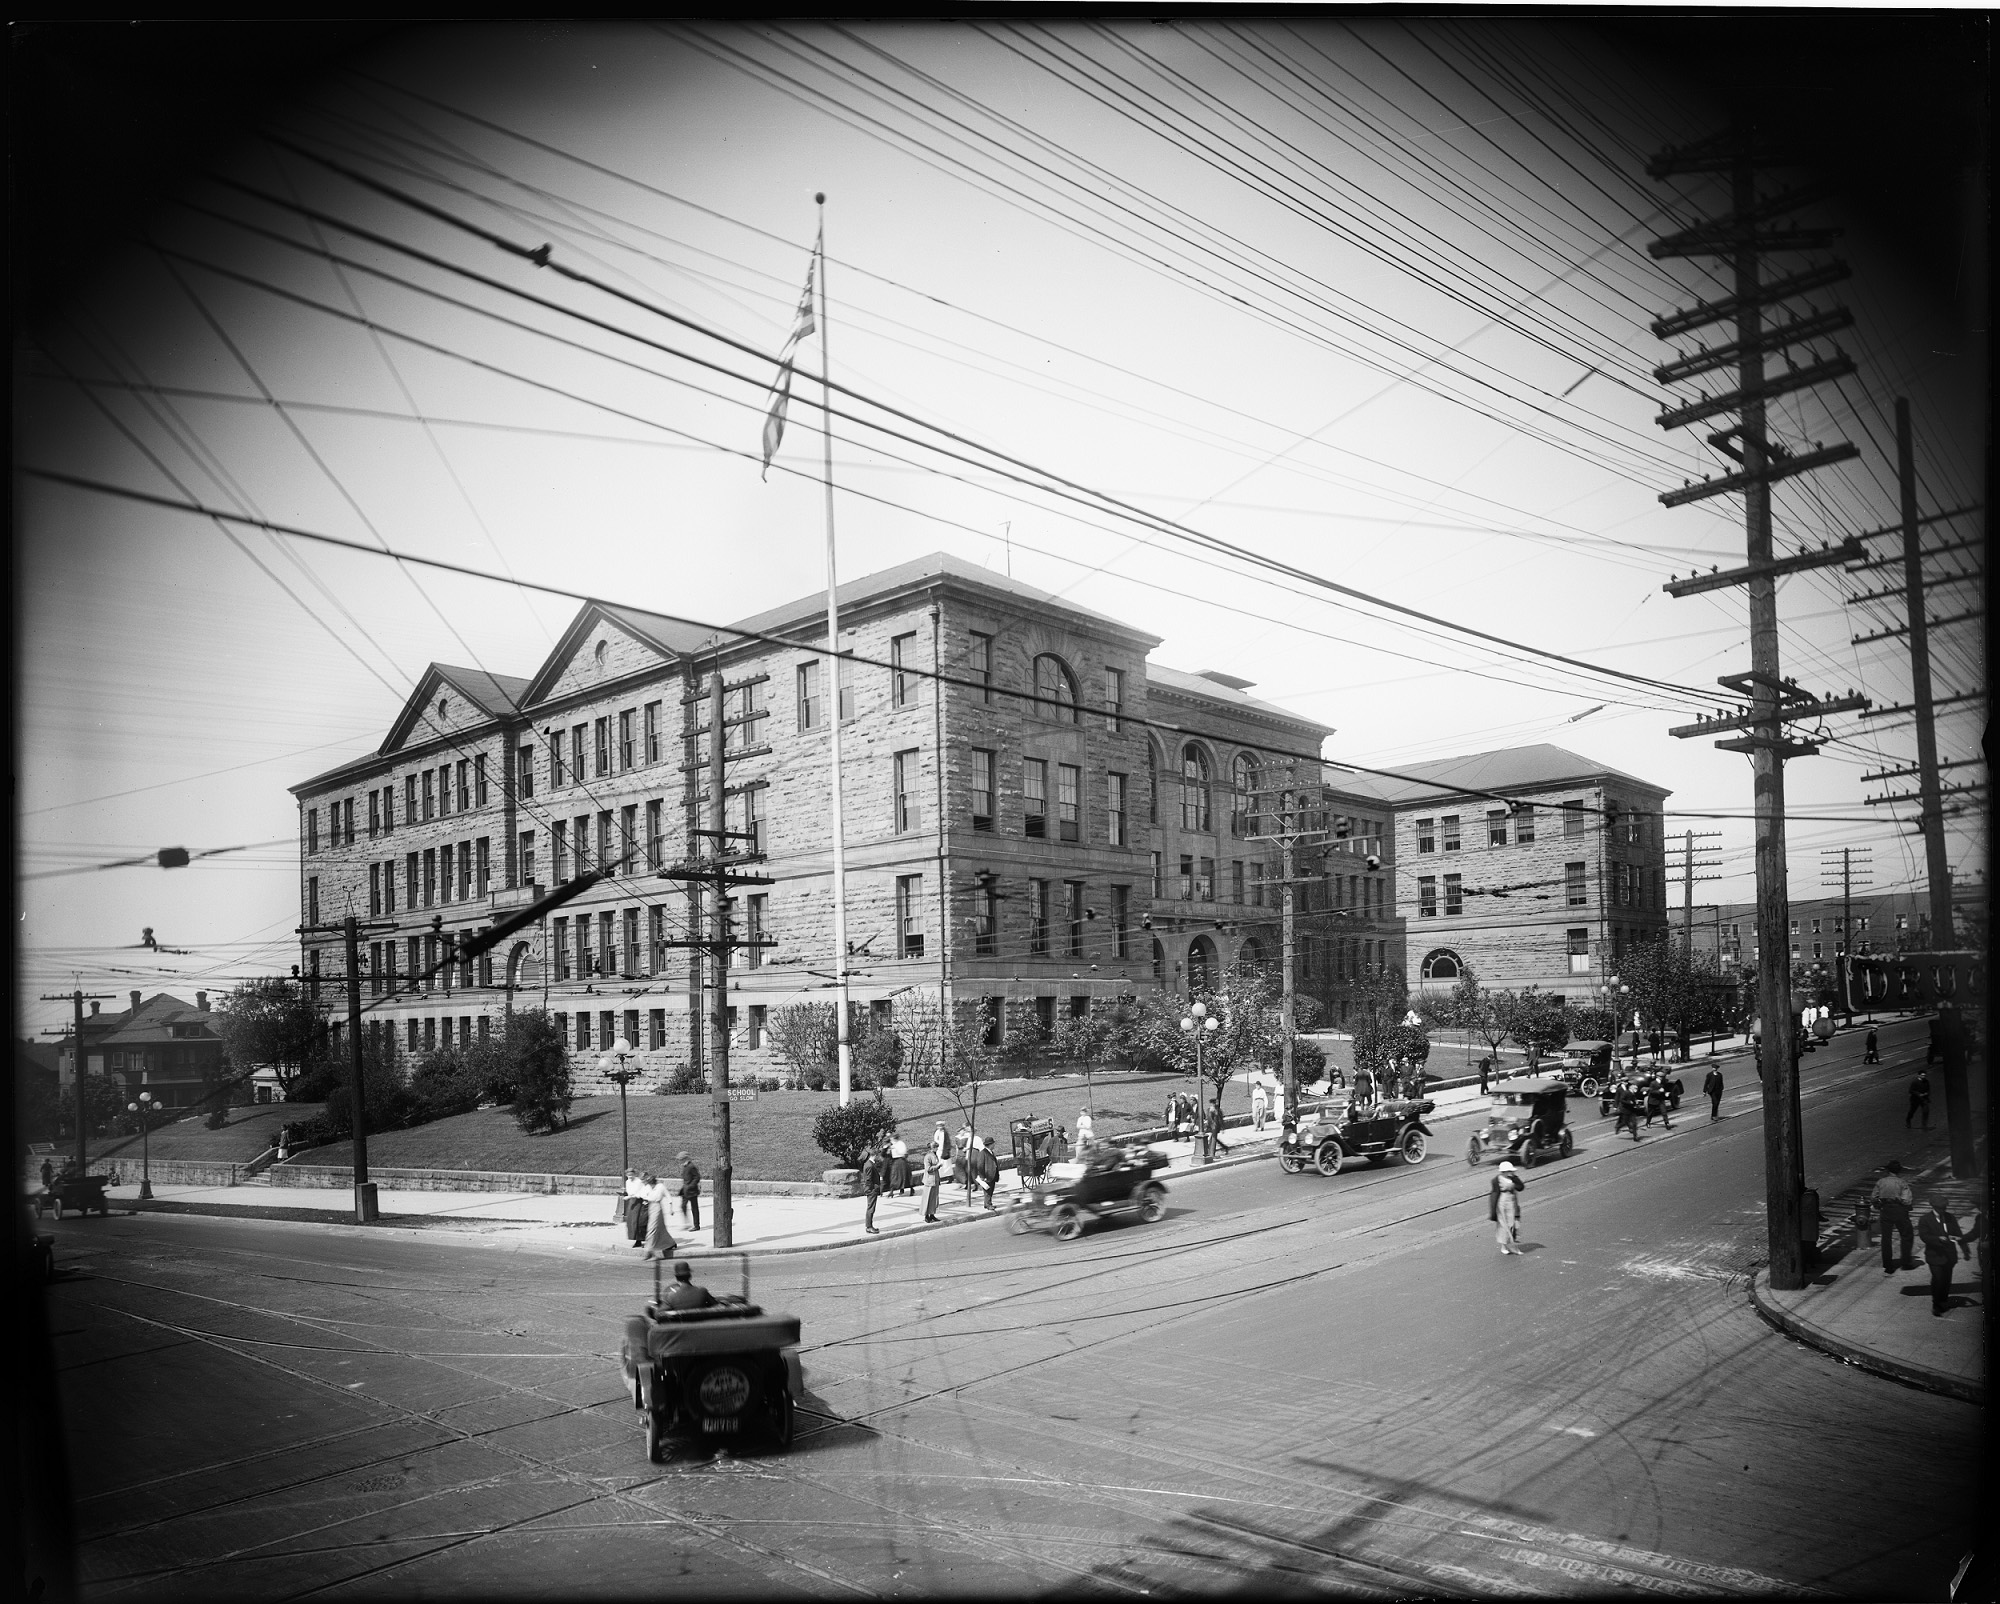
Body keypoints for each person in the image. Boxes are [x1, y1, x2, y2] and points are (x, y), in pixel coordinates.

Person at [1916, 1194, 1966, 1316]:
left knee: (1946, 1280)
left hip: (1949, 1256)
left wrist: (1964, 1249)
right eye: (1940, 1208)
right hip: (1934, 1256)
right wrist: (1938, 1239)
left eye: (1944, 1208)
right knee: (1938, 1279)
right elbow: (1924, 1236)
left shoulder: (1950, 1217)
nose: (1942, 1210)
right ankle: (1936, 1303)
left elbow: (1958, 1233)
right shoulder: (1925, 1219)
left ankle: (1943, 1300)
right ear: (1933, 1207)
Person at [1871, 1161, 1915, 1274]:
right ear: (1899, 1171)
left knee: (1886, 1238)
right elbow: (1906, 1200)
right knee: (1906, 1235)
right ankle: (1906, 1262)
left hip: (1886, 1210)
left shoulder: (1881, 1182)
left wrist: (1879, 1205)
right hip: (1899, 1210)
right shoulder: (1902, 1183)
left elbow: (1874, 1197)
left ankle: (1888, 1264)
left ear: (1888, 1170)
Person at [1490, 1160, 1525, 1255]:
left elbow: (1521, 1187)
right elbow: (1494, 1194)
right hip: (1502, 1205)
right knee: (1504, 1226)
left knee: (1513, 1224)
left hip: (1512, 1203)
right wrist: (1493, 1211)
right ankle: (1506, 1246)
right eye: (1509, 1171)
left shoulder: (1513, 1178)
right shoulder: (1496, 1180)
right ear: (1504, 1171)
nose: (1511, 1172)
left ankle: (1512, 1245)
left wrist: (1515, 1178)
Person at [640, 1171, 675, 1261]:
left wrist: (671, 1208)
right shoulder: (647, 1187)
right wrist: (645, 1199)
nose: (651, 1185)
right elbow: (642, 1195)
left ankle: (649, 1251)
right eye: (649, 1184)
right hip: (650, 1207)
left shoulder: (660, 1187)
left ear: (654, 1182)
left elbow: (668, 1196)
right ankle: (669, 1243)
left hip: (657, 1208)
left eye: (652, 1183)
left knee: (652, 1229)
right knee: (660, 1228)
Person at [970, 1137, 999, 1210]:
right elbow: (980, 1165)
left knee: (991, 1190)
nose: (994, 1145)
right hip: (987, 1175)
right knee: (987, 1191)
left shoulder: (991, 1152)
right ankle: (988, 1204)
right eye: (993, 1144)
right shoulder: (983, 1153)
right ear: (990, 1144)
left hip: (992, 1175)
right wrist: (982, 1176)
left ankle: (988, 1203)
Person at [622, 1168, 649, 1246]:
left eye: (631, 1175)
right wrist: (629, 1196)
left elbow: (641, 1192)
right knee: (630, 1221)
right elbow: (629, 1192)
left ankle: (640, 1239)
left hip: (639, 1202)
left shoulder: (638, 1182)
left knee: (637, 1221)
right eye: (628, 1175)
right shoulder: (627, 1182)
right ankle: (635, 1238)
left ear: (634, 1174)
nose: (630, 1177)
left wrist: (630, 1197)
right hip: (632, 1202)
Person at [860, 1146, 884, 1234]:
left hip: (871, 1189)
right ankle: (869, 1226)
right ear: (875, 1155)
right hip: (871, 1190)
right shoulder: (870, 1165)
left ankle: (869, 1225)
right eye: (878, 1155)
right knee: (871, 1208)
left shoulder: (868, 1164)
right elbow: (868, 1180)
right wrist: (873, 1189)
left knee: (871, 1208)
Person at [677, 1152, 702, 1233]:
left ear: (685, 1158)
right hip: (685, 1190)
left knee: (694, 1208)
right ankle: (687, 1222)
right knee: (683, 1206)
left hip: (692, 1191)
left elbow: (697, 1177)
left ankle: (696, 1225)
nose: (680, 1160)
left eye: (681, 1159)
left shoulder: (691, 1166)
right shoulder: (685, 1166)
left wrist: (690, 1185)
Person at [921, 1145, 942, 1223]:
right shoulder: (928, 1157)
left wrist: (938, 1166)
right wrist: (937, 1166)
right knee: (927, 1198)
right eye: (936, 1147)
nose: (937, 1148)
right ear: (931, 1148)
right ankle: (926, 1215)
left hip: (935, 1179)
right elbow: (928, 1169)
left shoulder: (935, 1155)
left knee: (934, 1198)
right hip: (929, 1180)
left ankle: (932, 1214)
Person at [887, 1132, 910, 1196]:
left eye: (893, 1139)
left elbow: (903, 1152)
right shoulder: (892, 1143)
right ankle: (891, 1191)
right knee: (894, 1176)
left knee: (903, 1175)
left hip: (901, 1160)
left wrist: (896, 1150)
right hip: (894, 1161)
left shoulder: (901, 1144)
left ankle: (904, 1188)